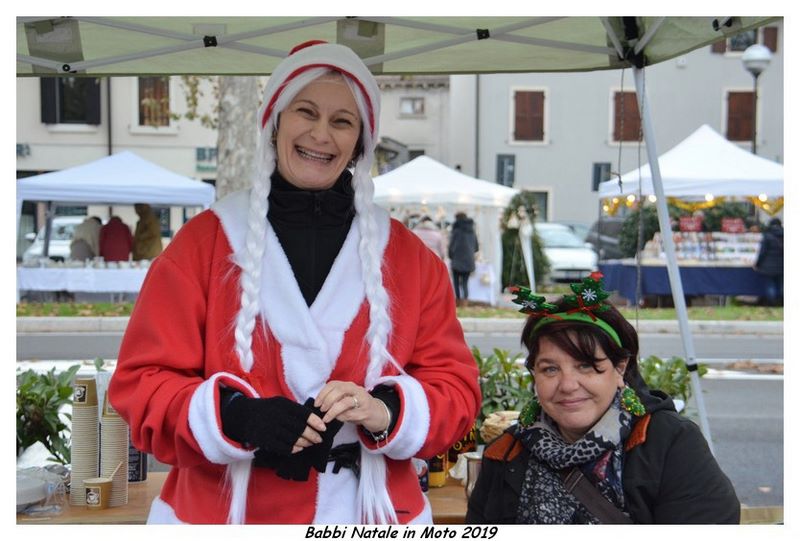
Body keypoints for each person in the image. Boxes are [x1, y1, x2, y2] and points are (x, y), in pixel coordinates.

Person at [108, 40, 480, 525]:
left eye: (342, 121)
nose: (321, 134)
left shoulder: (411, 260)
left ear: (360, 142)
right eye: (306, 112)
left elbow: (456, 389)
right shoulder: (201, 246)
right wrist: (236, 417)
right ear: (275, 121)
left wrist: (386, 408)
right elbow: (140, 386)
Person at [467, 272, 740, 524]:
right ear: (534, 375)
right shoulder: (505, 452)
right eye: (550, 369)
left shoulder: (670, 444)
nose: (568, 385)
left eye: (586, 366)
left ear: (620, 368)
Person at [448, 212, 478, 304]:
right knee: (465, 282)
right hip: (469, 260)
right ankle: (465, 301)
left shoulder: (456, 231)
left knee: (456, 283)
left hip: (457, 260)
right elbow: (476, 248)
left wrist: (451, 256)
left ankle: (458, 301)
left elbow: (451, 247)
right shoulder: (472, 231)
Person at [754, 217, 784, 306]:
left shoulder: (767, 236)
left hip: (768, 266)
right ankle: (782, 302)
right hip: (782, 265)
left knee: (770, 285)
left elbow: (762, 252)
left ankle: (772, 303)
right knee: (781, 284)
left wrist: (757, 264)